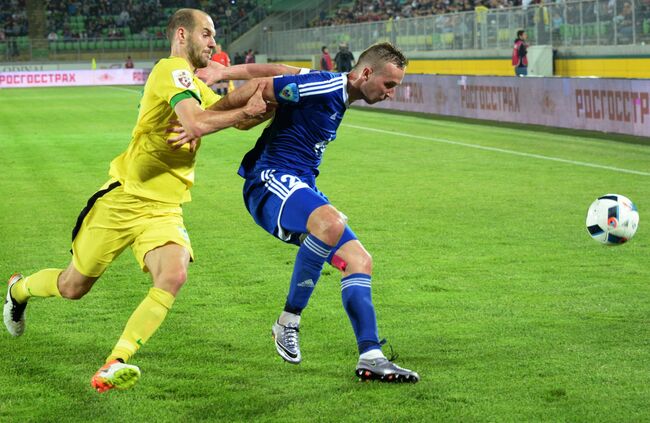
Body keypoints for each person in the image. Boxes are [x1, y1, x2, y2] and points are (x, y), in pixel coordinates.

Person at [3, 8, 266, 393]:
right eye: (207, 34)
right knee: (74, 286)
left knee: (174, 274)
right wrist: (246, 108)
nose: (214, 43)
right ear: (182, 34)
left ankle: (115, 361)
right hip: (124, 199)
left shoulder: (192, 82)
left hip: (164, 207)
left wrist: (270, 100)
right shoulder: (170, 70)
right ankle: (18, 289)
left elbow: (231, 116)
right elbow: (198, 122)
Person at [188, 42, 420, 383]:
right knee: (330, 222)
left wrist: (224, 72)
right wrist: (205, 122)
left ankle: (371, 355)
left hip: (301, 187)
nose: (390, 94)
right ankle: (288, 321)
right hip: (270, 180)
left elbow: (280, 69)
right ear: (366, 73)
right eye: (389, 85)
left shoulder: (332, 88)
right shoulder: (326, 87)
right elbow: (265, 87)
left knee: (359, 260)